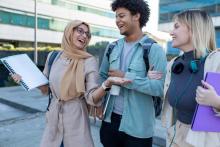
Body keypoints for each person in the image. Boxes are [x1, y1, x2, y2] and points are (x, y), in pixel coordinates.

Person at [11, 20, 131, 147]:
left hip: (76, 119)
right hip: (54, 119)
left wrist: (106, 84)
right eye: (80, 31)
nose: (84, 36)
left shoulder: (88, 61)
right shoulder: (53, 56)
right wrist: (24, 78)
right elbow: (46, 89)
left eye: (87, 34)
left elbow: (91, 97)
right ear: (69, 31)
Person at [98, 0, 167, 147]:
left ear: (136, 16)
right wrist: (98, 103)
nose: (117, 21)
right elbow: (102, 77)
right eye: (116, 17)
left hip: (139, 126)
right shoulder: (112, 47)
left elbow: (159, 88)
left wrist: (125, 76)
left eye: (122, 16)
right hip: (110, 121)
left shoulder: (154, 50)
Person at [148, 9, 220, 147]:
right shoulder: (174, 64)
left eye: (176, 26)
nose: (171, 33)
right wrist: (151, 80)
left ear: (193, 29)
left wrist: (216, 101)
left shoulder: (217, 61)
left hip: (205, 140)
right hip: (175, 134)